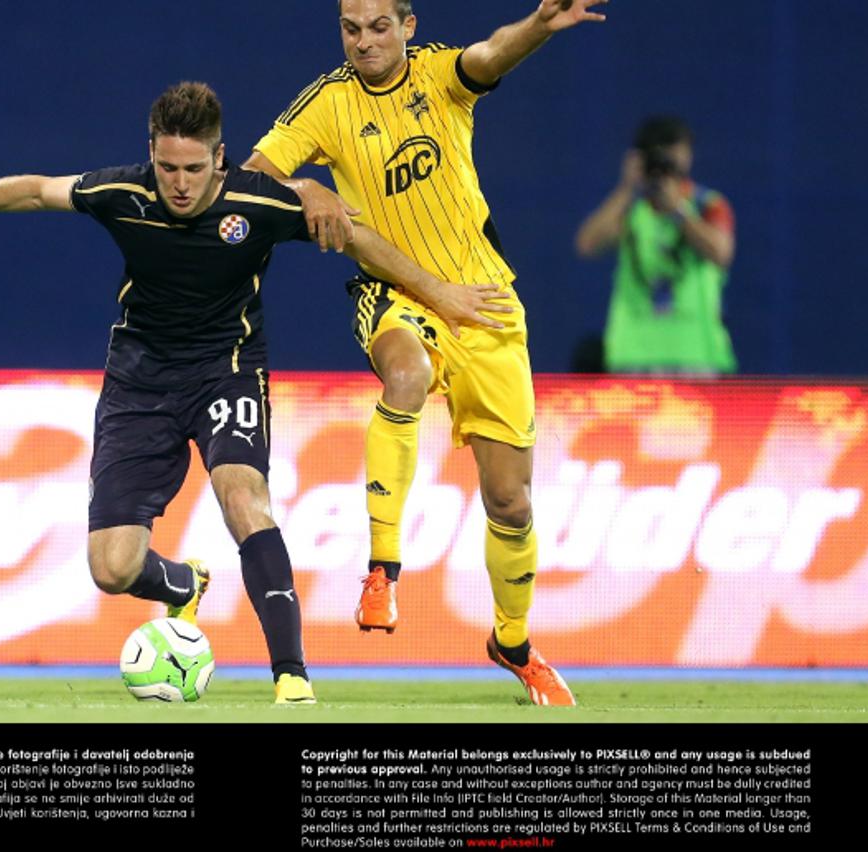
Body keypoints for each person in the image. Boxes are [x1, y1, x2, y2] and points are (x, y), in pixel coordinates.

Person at [0, 81, 491, 704]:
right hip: (138, 380)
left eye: (194, 169)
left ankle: (291, 675)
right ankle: (182, 583)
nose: (179, 183)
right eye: (167, 167)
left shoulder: (261, 204)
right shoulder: (123, 192)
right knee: (112, 568)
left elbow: (358, 239)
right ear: (151, 154)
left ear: (219, 159)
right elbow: (37, 189)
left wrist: (439, 293)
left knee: (244, 498)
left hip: (226, 369)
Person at [244, 0, 608, 707]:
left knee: (511, 502)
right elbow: (254, 179)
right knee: (404, 374)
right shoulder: (328, 103)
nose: (364, 42)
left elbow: (490, 55)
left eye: (379, 27)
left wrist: (538, 25)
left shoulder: (440, 75)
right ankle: (384, 570)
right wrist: (307, 184)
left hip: (486, 304)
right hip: (399, 297)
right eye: (351, 29)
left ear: (407, 26)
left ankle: (513, 641)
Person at [575, 115, 737, 374]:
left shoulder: (707, 205)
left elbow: (720, 253)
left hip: (696, 356)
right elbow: (587, 244)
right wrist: (626, 188)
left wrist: (678, 210)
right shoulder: (632, 210)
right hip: (633, 357)